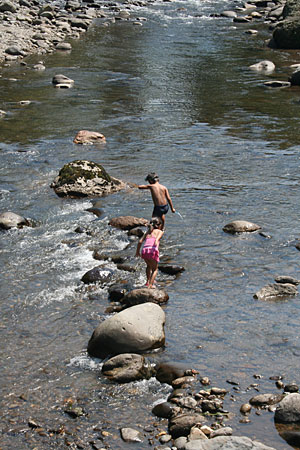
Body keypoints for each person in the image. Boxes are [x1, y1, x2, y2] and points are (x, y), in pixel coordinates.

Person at [135, 217, 164, 288]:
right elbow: (157, 239)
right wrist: (156, 243)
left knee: (148, 266)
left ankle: (148, 282)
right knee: (155, 269)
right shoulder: (160, 231)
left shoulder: (148, 232)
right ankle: (150, 285)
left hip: (144, 250)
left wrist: (137, 252)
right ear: (159, 225)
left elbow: (140, 241)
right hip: (152, 250)